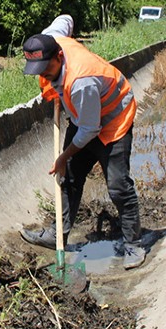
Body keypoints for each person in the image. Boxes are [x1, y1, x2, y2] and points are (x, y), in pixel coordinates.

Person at [20, 15, 145, 269]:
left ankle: (133, 243)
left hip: (112, 119)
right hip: (84, 116)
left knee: (118, 186)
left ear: (59, 56)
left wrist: (63, 157)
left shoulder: (81, 82)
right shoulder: (51, 38)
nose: (43, 73)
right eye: (38, 69)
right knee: (70, 178)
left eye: (46, 68)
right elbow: (66, 19)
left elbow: (90, 129)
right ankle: (58, 235)